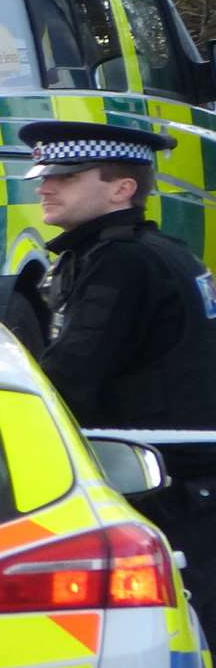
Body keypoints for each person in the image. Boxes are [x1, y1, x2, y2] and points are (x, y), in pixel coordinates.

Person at [21, 118, 216, 625]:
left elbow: (72, 373)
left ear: (122, 190)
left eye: (65, 177)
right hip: (179, 478)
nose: (45, 186)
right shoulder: (149, 251)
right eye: (46, 176)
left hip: (162, 481)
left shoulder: (120, 262)